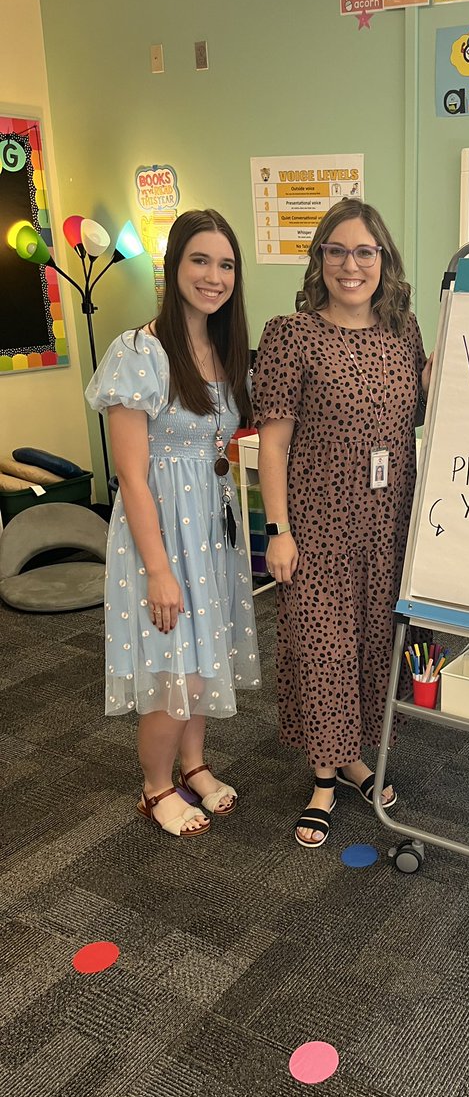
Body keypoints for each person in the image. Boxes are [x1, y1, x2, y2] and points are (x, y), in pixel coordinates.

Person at [252, 199, 430, 849]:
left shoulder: (404, 332)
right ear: (319, 259)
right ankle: (324, 779)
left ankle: (355, 756)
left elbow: (419, 414)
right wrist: (278, 531)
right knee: (323, 650)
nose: (350, 265)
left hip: (388, 525)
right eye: (337, 251)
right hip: (318, 527)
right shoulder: (290, 335)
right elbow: (273, 444)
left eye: (364, 252)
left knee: (374, 648)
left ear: (384, 261)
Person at [86, 209, 260, 838]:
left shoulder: (223, 347)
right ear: (173, 266)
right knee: (174, 667)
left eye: (226, 265)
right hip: (159, 532)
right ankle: (156, 786)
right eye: (200, 260)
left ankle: (194, 764)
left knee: (205, 656)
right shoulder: (138, 352)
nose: (214, 277)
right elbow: (132, 477)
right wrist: (158, 571)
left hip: (210, 526)